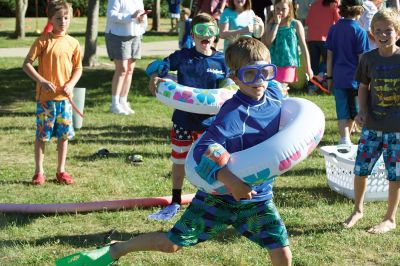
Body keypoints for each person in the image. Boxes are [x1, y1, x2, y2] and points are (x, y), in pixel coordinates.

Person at [56, 37, 291, 266]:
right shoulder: (234, 113)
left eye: (266, 72)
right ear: (234, 78)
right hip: (219, 197)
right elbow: (201, 150)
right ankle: (118, 248)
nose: (260, 80)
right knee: (171, 244)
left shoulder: (273, 93)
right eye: (250, 74)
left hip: (258, 198)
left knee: (282, 253)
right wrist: (230, 180)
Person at [146, 13, 230, 220]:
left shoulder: (222, 61)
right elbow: (159, 70)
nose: (206, 36)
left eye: (211, 31)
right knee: (179, 161)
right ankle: (175, 200)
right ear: (192, 35)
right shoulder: (182, 57)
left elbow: (231, 87)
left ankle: (210, 199)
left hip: (209, 123)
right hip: (183, 120)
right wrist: (155, 77)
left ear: (216, 35)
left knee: (210, 163)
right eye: (201, 31)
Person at [342, 8, 400, 234]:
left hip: (397, 129)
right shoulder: (368, 59)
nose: (383, 34)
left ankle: (390, 218)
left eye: (389, 30)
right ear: (372, 34)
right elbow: (363, 87)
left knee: (395, 174)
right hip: (372, 126)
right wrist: (361, 111)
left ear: (398, 32)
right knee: (361, 169)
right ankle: (358, 209)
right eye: (378, 31)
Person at [22, 0, 82, 185]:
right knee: (42, 136)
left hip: (64, 100)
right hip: (45, 100)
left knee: (63, 137)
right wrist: (41, 80)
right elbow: (27, 64)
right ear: (51, 19)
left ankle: (61, 170)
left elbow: (78, 68)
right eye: (58, 18)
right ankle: (39, 172)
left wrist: (71, 84)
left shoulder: (73, 43)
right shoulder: (42, 41)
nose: (63, 21)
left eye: (66, 18)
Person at [325, 0, 370, 147]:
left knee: (342, 109)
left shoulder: (334, 29)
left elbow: (329, 56)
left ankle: (344, 139)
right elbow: (362, 59)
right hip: (355, 80)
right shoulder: (360, 31)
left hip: (338, 77)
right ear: (359, 11)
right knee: (356, 111)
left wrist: (329, 77)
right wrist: (367, 81)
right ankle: (351, 140)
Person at [105, 0, 148, 115]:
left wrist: (141, 19)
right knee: (122, 69)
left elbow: (142, 18)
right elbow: (111, 15)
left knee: (129, 70)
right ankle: (114, 104)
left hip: (135, 35)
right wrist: (131, 16)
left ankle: (123, 101)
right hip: (117, 35)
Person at [262, 0, 313, 92]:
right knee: (273, 90)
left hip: (288, 64)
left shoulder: (296, 24)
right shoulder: (271, 23)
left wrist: (308, 68)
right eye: (278, 9)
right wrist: (276, 24)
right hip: (272, 63)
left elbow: (303, 46)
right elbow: (268, 42)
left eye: (284, 9)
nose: (280, 12)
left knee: (281, 89)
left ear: (289, 9)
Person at [305, 0, 340, 94]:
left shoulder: (314, 4)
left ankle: (312, 87)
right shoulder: (333, 5)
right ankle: (327, 85)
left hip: (312, 38)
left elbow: (307, 21)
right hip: (326, 39)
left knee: (313, 64)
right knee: (329, 63)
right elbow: (338, 21)